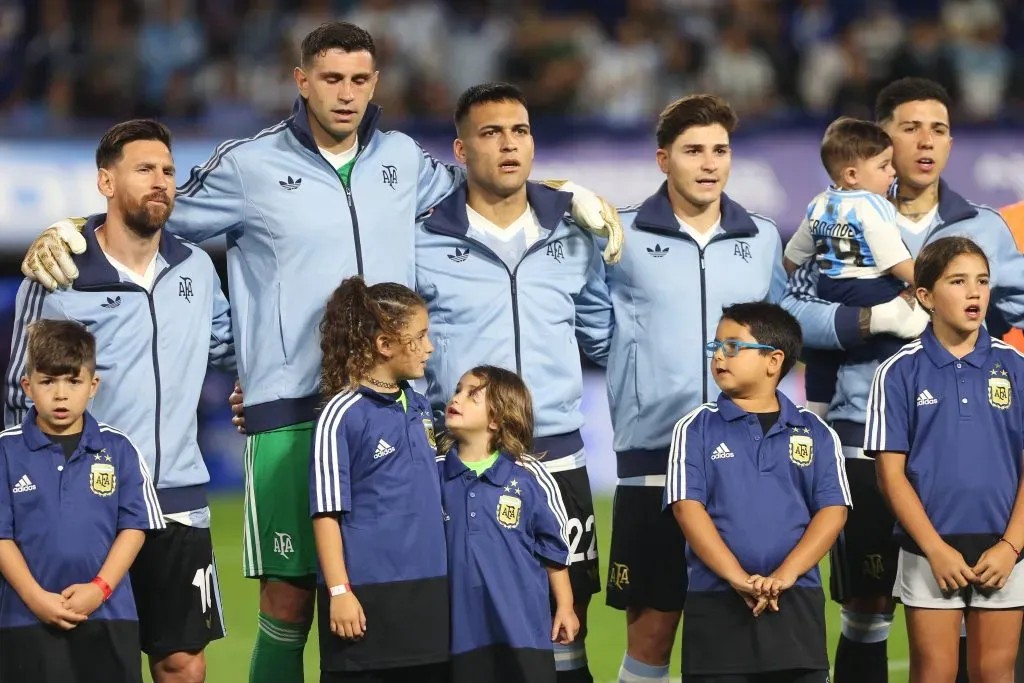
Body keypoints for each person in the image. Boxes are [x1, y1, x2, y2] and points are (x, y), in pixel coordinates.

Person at [17, 23, 622, 683]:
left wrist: (569, 194)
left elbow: (486, 180)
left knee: (409, 588)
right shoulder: (249, 166)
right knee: (290, 599)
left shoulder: (402, 159)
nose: (346, 94)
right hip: (291, 413)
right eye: (331, 79)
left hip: (398, 413)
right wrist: (71, 228)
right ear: (301, 81)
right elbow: (154, 209)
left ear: (375, 84)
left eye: (360, 80)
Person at [783, 77, 1024, 683]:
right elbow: (786, 312)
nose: (925, 142)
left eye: (939, 129)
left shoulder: (985, 228)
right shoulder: (838, 218)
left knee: (975, 604)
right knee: (867, 606)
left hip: (966, 452)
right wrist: (866, 319)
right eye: (910, 127)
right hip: (862, 436)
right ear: (880, 139)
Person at [3, 120, 233, 683]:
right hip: (87, 502)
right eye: (144, 169)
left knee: (182, 662)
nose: (161, 182)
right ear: (106, 181)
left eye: (169, 171)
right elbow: (18, 388)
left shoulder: (195, 268)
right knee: (84, 657)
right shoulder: (58, 273)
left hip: (177, 495)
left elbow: (229, 348)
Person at [415, 82, 611, 683]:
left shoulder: (573, 235)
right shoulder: (421, 240)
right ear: (460, 149)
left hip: (556, 456)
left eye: (520, 131)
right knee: (463, 630)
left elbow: (602, 333)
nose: (509, 144)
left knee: (567, 628)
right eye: (491, 132)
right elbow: (401, 348)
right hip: (458, 463)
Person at [595, 94, 787, 683]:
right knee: (650, 635)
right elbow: (588, 319)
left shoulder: (761, 237)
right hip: (653, 454)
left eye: (720, 150)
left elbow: (779, 327)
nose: (709, 163)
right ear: (662, 159)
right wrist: (639, 366)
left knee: (739, 635)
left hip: (746, 461)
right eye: (693, 150)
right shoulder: (618, 233)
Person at [666, 301, 851, 683]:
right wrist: (735, 576)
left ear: (773, 361)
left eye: (732, 346)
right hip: (716, 603)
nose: (718, 356)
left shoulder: (816, 432)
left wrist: (785, 575)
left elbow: (833, 511)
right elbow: (688, 509)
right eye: (714, 346)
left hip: (795, 602)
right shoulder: (695, 429)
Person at [867, 236, 1024, 683]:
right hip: (929, 548)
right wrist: (934, 548)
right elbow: (890, 476)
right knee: (933, 672)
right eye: (958, 281)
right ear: (926, 296)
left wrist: (1012, 546)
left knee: (995, 671)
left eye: (982, 281)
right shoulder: (899, 371)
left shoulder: (1017, 367)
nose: (974, 292)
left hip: (1005, 547)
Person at [0, 320, 165, 683]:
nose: (60, 394)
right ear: (27, 386)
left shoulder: (119, 449)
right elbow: (1, 537)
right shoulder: (6, 450)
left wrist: (100, 589)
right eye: (48, 382)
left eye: (73, 381)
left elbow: (135, 527)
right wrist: (35, 597)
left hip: (107, 615)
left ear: (93, 386)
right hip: (23, 618)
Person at [310, 277, 448, 683]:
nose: (429, 347)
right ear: (385, 345)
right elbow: (326, 514)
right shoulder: (341, 414)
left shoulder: (421, 407)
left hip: (430, 595)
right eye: (419, 336)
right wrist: (339, 593)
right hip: (366, 599)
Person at [438, 365, 578, 683]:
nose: (458, 398)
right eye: (458, 390)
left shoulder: (527, 477)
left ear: (496, 419)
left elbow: (553, 550)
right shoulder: (434, 475)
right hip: (459, 635)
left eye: (473, 395)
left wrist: (566, 606)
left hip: (522, 633)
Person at [784, 117, 909, 413]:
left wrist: (795, 278)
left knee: (823, 355)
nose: (893, 172)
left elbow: (793, 257)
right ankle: (906, 400)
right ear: (852, 175)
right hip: (872, 288)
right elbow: (894, 260)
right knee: (901, 341)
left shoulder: (818, 204)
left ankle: (815, 410)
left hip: (830, 289)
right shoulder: (874, 205)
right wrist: (925, 283)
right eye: (884, 166)